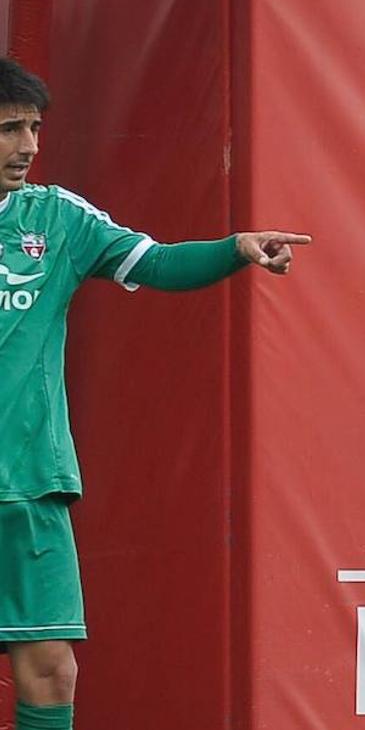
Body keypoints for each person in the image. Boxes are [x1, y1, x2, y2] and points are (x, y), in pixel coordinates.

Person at [0, 57, 311, 730]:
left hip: (29, 485)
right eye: (8, 129)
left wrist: (236, 247)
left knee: (53, 670)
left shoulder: (56, 219)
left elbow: (157, 263)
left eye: (32, 127)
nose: (26, 146)